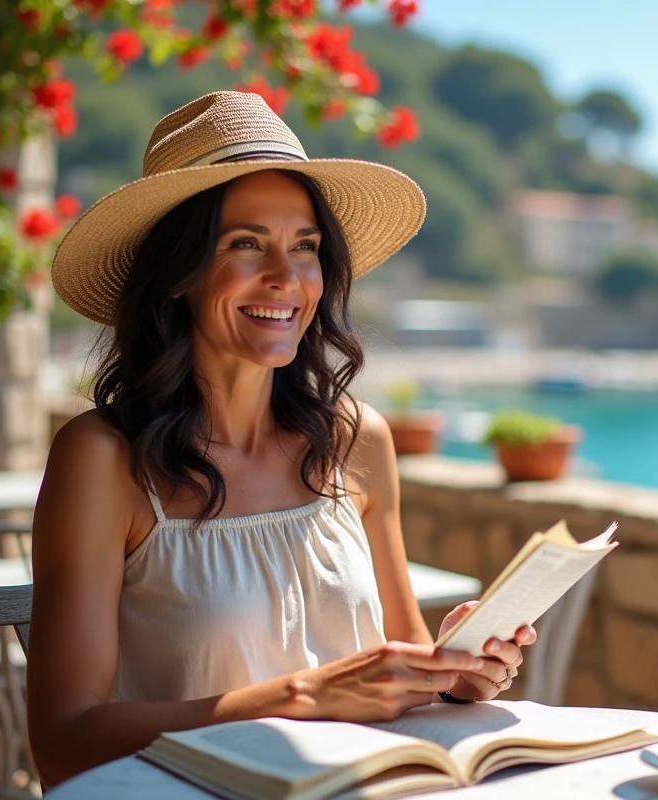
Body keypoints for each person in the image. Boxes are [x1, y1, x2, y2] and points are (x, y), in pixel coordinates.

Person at [27, 91, 535, 787]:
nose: (287, 278)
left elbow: (402, 662)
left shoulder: (357, 441)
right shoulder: (104, 460)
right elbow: (63, 743)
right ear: (177, 274)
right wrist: (304, 697)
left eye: (306, 246)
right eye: (245, 244)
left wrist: (452, 672)